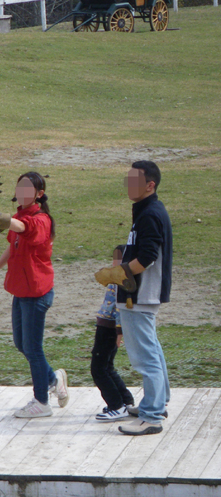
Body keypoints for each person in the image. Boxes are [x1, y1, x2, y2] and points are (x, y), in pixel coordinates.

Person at [0, 172, 68, 418]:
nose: (23, 189)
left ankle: (41, 402)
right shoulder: (19, 216)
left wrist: (3, 219)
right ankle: (54, 378)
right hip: (21, 291)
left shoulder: (41, 219)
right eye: (21, 186)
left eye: (29, 187)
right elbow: (13, 243)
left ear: (39, 194)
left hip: (36, 294)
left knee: (33, 348)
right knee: (21, 344)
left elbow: (25, 228)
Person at [95, 160, 172, 436]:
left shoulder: (150, 213)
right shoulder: (147, 211)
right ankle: (158, 404)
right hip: (140, 295)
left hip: (138, 296)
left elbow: (148, 257)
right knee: (152, 351)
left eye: (134, 180)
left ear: (150, 185)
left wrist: (119, 273)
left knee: (145, 357)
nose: (129, 184)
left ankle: (151, 416)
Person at [92, 245, 136, 422]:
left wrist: (119, 333)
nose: (114, 265)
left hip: (108, 328)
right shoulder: (116, 279)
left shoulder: (121, 281)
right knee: (107, 366)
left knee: (98, 369)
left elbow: (120, 308)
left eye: (117, 261)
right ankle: (126, 401)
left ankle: (116, 406)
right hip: (107, 325)